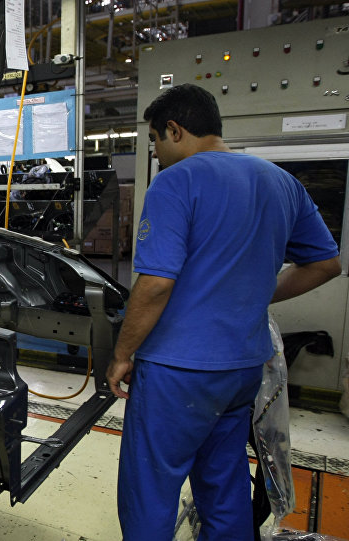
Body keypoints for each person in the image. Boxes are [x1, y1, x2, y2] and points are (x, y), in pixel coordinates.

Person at [106, 83, 341, 540]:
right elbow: (327, 264)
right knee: (223, 480)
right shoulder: (281, 182)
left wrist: (122, 354)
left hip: (178, 369)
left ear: (174, 129)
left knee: (150, 488)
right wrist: (254, 293)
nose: (156, 153)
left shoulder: (176, 181)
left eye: (155, 139)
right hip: (242, 368)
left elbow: (155, 284)